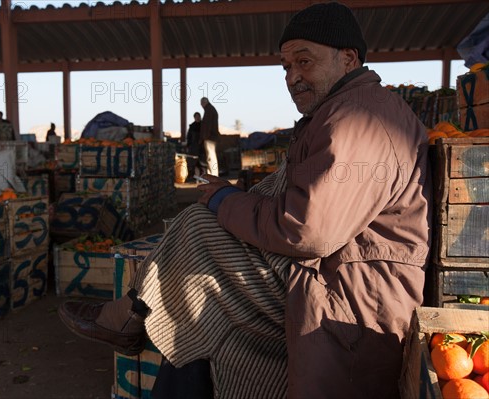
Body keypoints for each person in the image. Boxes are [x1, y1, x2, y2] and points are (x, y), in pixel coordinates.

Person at [58, 3, 432, 398]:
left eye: (304, 61)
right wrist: (231, 197)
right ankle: (136, 320)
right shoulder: (343, 109)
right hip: (332, 266)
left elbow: (307, 230)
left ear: (348, 58)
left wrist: (223, 200)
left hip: (351, 294)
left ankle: (131, 315)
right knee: (195, 286)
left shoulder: (360, 118)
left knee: (198, 232)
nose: (293, 77)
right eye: (286, 67)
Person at [199, 97, 220, 177]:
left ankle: (213, 175)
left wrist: (204, 137)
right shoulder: (210, 110)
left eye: (201, 104)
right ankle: (212, 174)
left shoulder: (209, 110)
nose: (201, 105)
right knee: (211, 157)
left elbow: (207, 126)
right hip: (211, 137)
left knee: (211, 157)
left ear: (204, 103)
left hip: (210, 138)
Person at [186, 111, 205, 178]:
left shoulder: (204, 125)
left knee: (203, 163)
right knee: (194, 163)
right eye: (196, 117)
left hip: (202, 148)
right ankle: (197, 177)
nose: (197, 118)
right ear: (194, 118)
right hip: (193, 148)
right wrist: (188, 146)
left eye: (198, 116)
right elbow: (189, 137)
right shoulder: (192, 126)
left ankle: (204, 177)